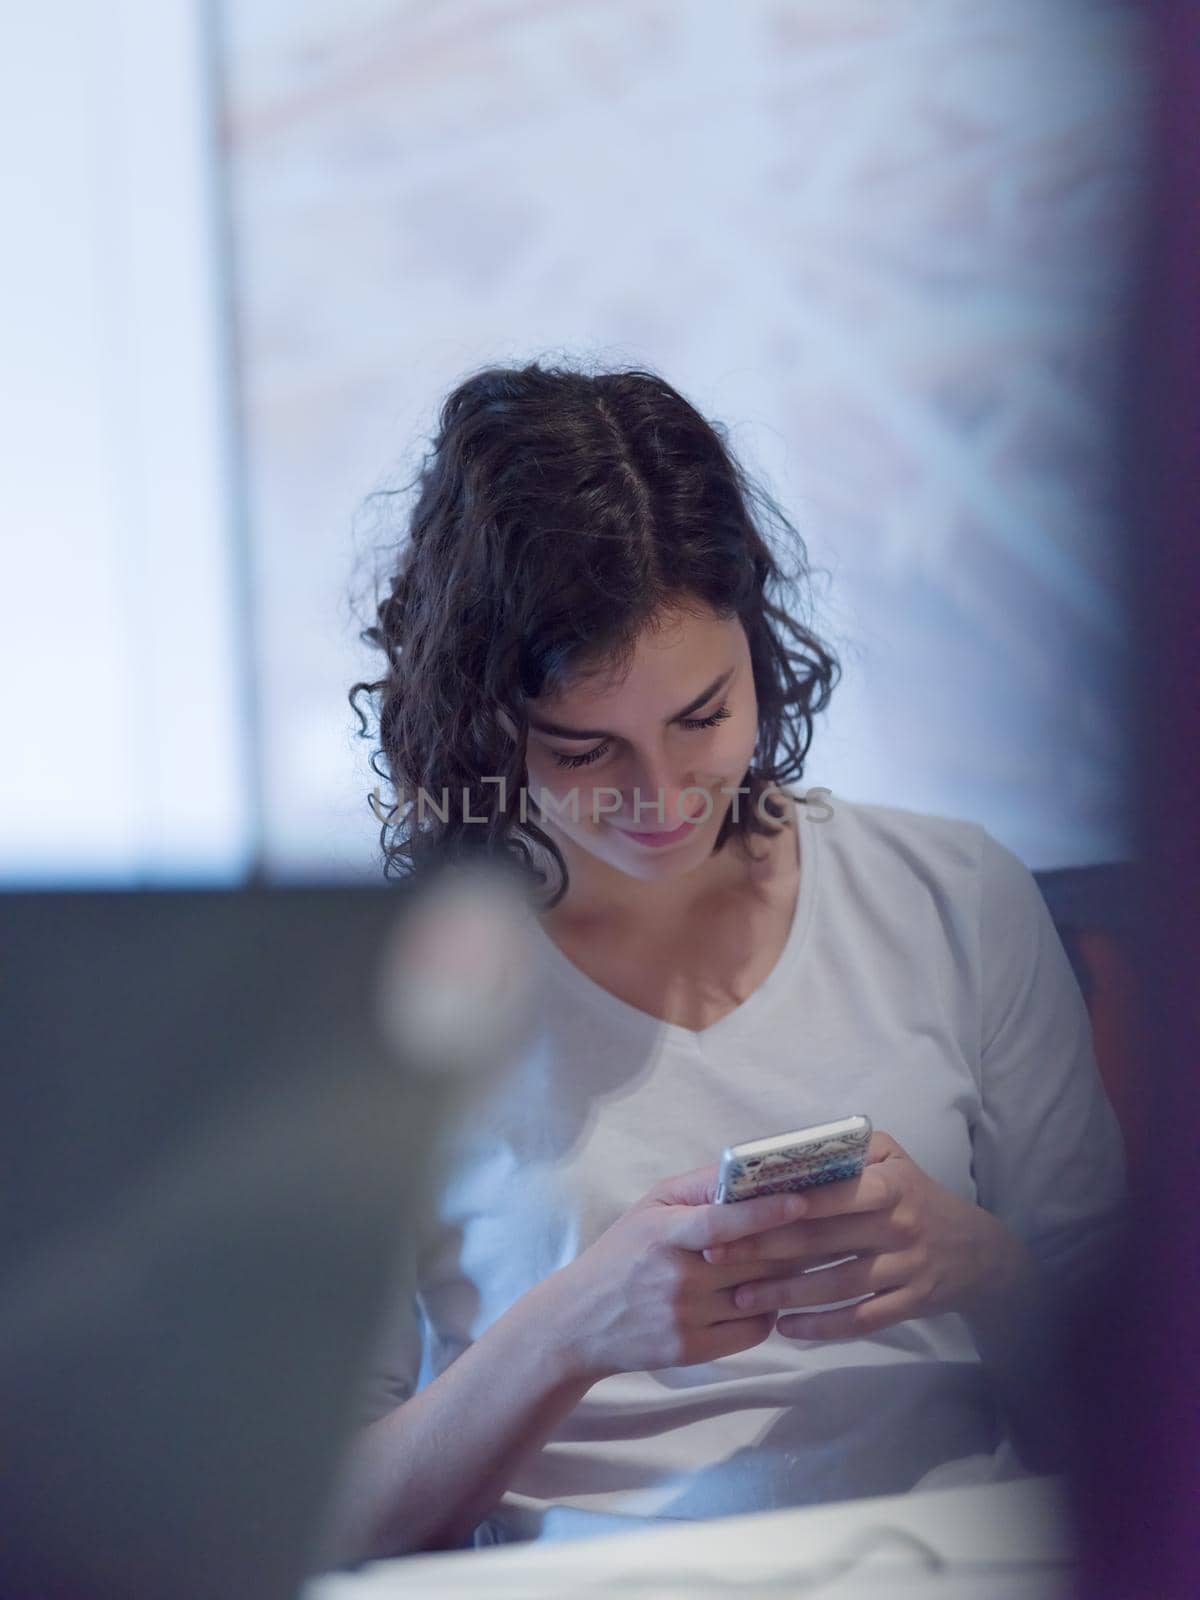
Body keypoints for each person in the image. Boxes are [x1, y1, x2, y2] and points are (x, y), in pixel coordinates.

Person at [327, 361, 1127, 1564]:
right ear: (485, 720)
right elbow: (322, 1512)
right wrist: (568, 1331)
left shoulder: (952, 897)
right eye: (587, 748)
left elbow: (1146, 1397)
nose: (662, 797)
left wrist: (977, 1260)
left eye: (704, 716)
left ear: (758, 649)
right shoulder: (395, 994)